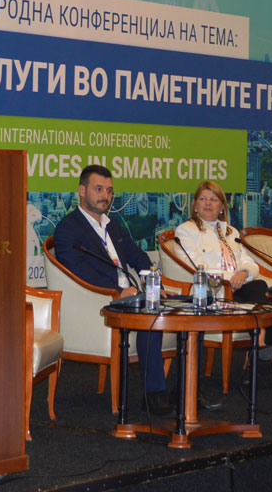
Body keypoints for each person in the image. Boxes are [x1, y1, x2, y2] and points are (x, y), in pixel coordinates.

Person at [54, 165, 217, 415]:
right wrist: (117, 292)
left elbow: (138, 256)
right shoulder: (69, 228)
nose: (105, 196)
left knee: (196, 307)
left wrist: (155, 285)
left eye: (109, 191)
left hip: (132, 296)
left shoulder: (113, 225)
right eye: (99, 189)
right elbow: (77, 270)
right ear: (82, 191)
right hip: (103, 300)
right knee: (151, 317)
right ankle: (154, 396)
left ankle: (187, 391)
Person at [174, 180, 272, 385]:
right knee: (260, 295)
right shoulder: (186, 231)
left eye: (214, 199)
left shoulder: (231, 232)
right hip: (213, 291)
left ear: (222, 206)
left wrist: (242, 273)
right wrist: (230, 278)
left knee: (259, 286)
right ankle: (270, 355)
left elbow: (250, 264)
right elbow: (197, 266)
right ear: (195, 204)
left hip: (240, 289)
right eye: (203, 199)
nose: (208, 203)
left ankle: (259, 344)